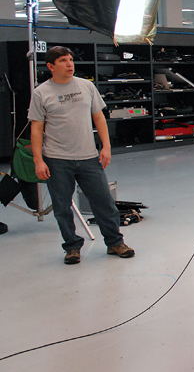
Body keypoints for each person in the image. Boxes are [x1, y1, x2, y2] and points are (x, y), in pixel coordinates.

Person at [29, 46, 135, 264]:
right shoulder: (41, 93)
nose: (69, 64)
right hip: (57, 159)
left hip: (88, 157)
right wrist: (38, 160)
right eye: (63, 61)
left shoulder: (86, 86)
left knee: (104, 202)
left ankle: (115, 242)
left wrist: (106, 146)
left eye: (70, 60)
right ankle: (72, 247)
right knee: (62, 207)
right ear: (50, 66)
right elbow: (36, 129)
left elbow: (99, 118)